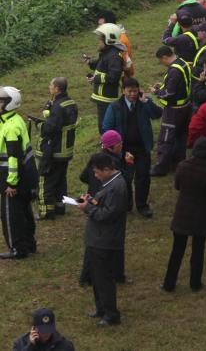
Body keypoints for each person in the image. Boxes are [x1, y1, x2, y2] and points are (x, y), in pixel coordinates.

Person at [161, 137, 206, 292]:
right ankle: (195, 283)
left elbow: (177, 185)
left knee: (177, 250)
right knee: (198, 251)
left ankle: (169, 283)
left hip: (183, 213)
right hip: (201, 214)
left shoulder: (183, 166)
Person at [78, 152, 127, 327]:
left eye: (97, 172)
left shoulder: (117, 187)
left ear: (107, 169)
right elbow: (104, 206)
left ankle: (111, 314)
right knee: (96, 277)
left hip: (105, 241)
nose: (96, 176)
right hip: (97, 239)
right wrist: (91, 201)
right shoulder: (109, 184)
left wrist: (87, 209)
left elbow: (108, 214)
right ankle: (101, 309)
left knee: (104, 279)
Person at [102, 78, 162, 217]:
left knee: (143, 177)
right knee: (125, 178)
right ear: (123, 91)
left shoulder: (143, 104)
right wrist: (115, 147)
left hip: (142, 148)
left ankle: (142, 205)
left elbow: (158, 114)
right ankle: (126, 204)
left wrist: (147, 101)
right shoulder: (115, 106)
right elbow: (107, 127)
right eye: (129, 91)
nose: (133, 94)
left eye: (135, 91)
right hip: (123, 150)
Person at [0, 87, 37, 259]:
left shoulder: (10, 127)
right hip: (25, 174)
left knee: (10, 215)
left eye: (1, 101)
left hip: (12, 176)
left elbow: (13, 157)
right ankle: (29, 244)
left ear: (9, 103)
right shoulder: (14, 120)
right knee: (24, 211)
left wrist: (11, 183)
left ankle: (17, 249)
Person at [35, 77, 78, 220]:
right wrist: (49, 112)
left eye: (51, 85)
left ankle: (46, 211)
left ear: (57, 88)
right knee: (60, 180)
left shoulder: (58, 106)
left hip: (54, 150)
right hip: (66, 150)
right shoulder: (70, 102)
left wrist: (38, 123)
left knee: (46, 180)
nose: (49, 87)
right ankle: (60, 207)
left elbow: (49, 129)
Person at [150, 45, 192, 177]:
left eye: (161, 61)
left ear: (165, 57)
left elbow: (169, 92)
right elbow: (179, 85)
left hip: (173, 111)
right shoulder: (183, 63)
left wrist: (157, 92)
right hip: (185, 107)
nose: (161, 64)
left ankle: (161, 168)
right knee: (181, 137)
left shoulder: (174, 71)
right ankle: (178, 163)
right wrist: (162, 85)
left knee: (166, 139)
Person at [85, 23, 126, 132]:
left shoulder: (114, 56)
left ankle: (109, 144)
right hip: (102, 96)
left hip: (107, 97)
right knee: (103, 124)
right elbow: (100, 65)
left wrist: (96, 78)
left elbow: (114, 76)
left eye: (101, 39)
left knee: (105, 125)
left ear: (108, 40)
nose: (99, 41)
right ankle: (107, 142)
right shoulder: (106, 53)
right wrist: (90, 63)